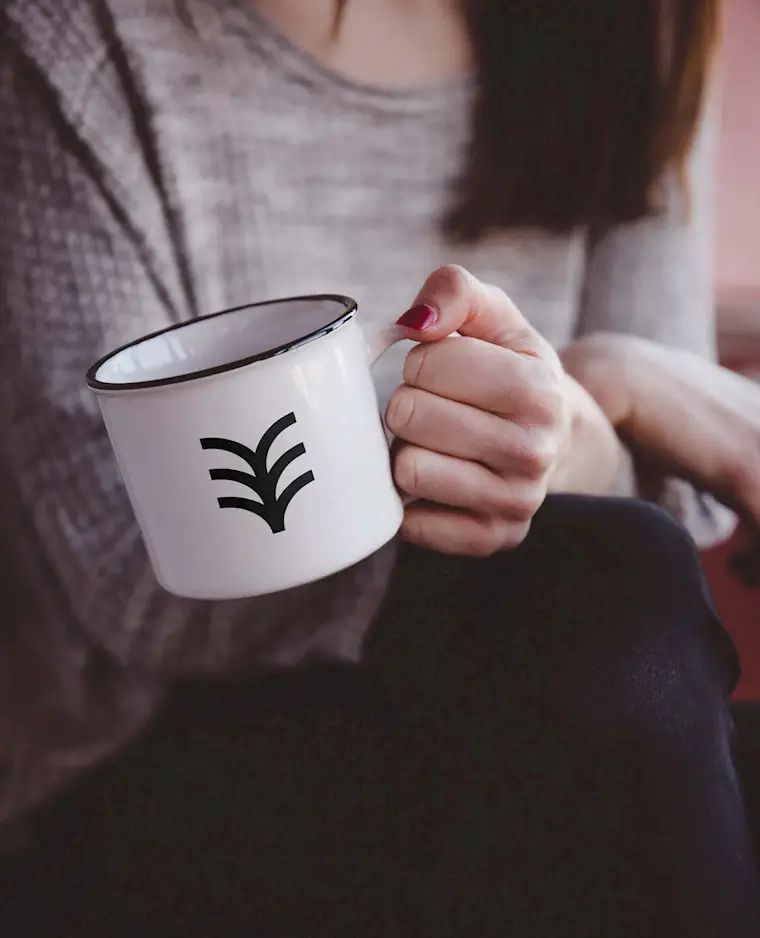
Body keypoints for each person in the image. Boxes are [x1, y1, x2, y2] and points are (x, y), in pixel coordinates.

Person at [1, 0, 759, 934]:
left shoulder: (638, 24)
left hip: (552, 680)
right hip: (143, 757)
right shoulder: (74, 38)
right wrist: (609, 398)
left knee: (624, 611)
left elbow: (667, 513)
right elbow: (127, 580)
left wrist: (585, 409)